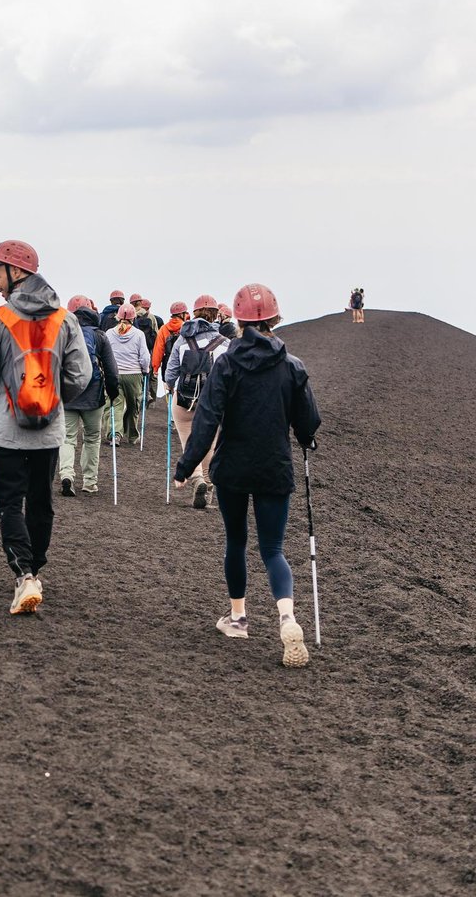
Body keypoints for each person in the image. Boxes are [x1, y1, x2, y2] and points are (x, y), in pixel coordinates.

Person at [172, 283, 321, 668]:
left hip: (233, 468)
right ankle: (287, 617)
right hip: (275, 467)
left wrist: (186, 467)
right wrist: (305, 436)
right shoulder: (293, 366)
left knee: (235, 541)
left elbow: (207, 419)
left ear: (237, 320)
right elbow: (309, 422)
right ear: (275, 318)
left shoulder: (226, 364)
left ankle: (237, 619)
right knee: (272, 549)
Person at [0, 240, 91, 615]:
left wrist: (1, 396)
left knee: (9, 504)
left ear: (17, 273)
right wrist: (52, 400)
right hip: (50, 432)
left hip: (6, 432)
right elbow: (80, 375)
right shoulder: (64, 319)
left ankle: (24, 576)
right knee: (40, 504)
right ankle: (34, 569)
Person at [163, 293, 229, 509]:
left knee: (187, 441)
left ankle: (197, 478)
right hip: (212, 401)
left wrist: (170, 386)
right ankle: (208, 487)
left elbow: (171, 373)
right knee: (209, 443)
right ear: (215, 315)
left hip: (183, 399)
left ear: (194, 313)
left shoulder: (183, 339)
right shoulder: (224, 343)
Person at [59, 295, 120, 497]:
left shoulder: (63, 333)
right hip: (94, 395)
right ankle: (89, 482)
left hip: (68, 395)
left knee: (67, 438)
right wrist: (113, 393)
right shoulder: (99, 335)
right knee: (92, 438)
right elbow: (111, 370)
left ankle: (67, 474)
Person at [103, 303, 151, 446]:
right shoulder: (138, 334)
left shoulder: (109, 333)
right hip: (134, 374)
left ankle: (114, 434)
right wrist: (145, 370)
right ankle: (131, 435)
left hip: (115, 374)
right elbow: (144, 357)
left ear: (118, 316)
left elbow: (105, 355)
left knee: (115, 404)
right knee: (133, 406)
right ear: (133, 318)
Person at [151, 301, 189, 383]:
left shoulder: (163, 329)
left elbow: (158, 349)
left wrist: (155, 368)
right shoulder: (187, 327)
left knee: (170, 389)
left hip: (168, 364)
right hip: (184, 362)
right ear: (181, 314)